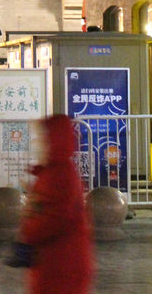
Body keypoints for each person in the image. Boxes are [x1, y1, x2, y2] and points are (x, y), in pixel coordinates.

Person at [17, 114, 94, 294]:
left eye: (43, 139)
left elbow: (54, 217)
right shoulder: (51, 172)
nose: (39, 144)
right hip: (54, 261)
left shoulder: (60, 175)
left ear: (55, 141)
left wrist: (29, 233)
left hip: (63, 264)